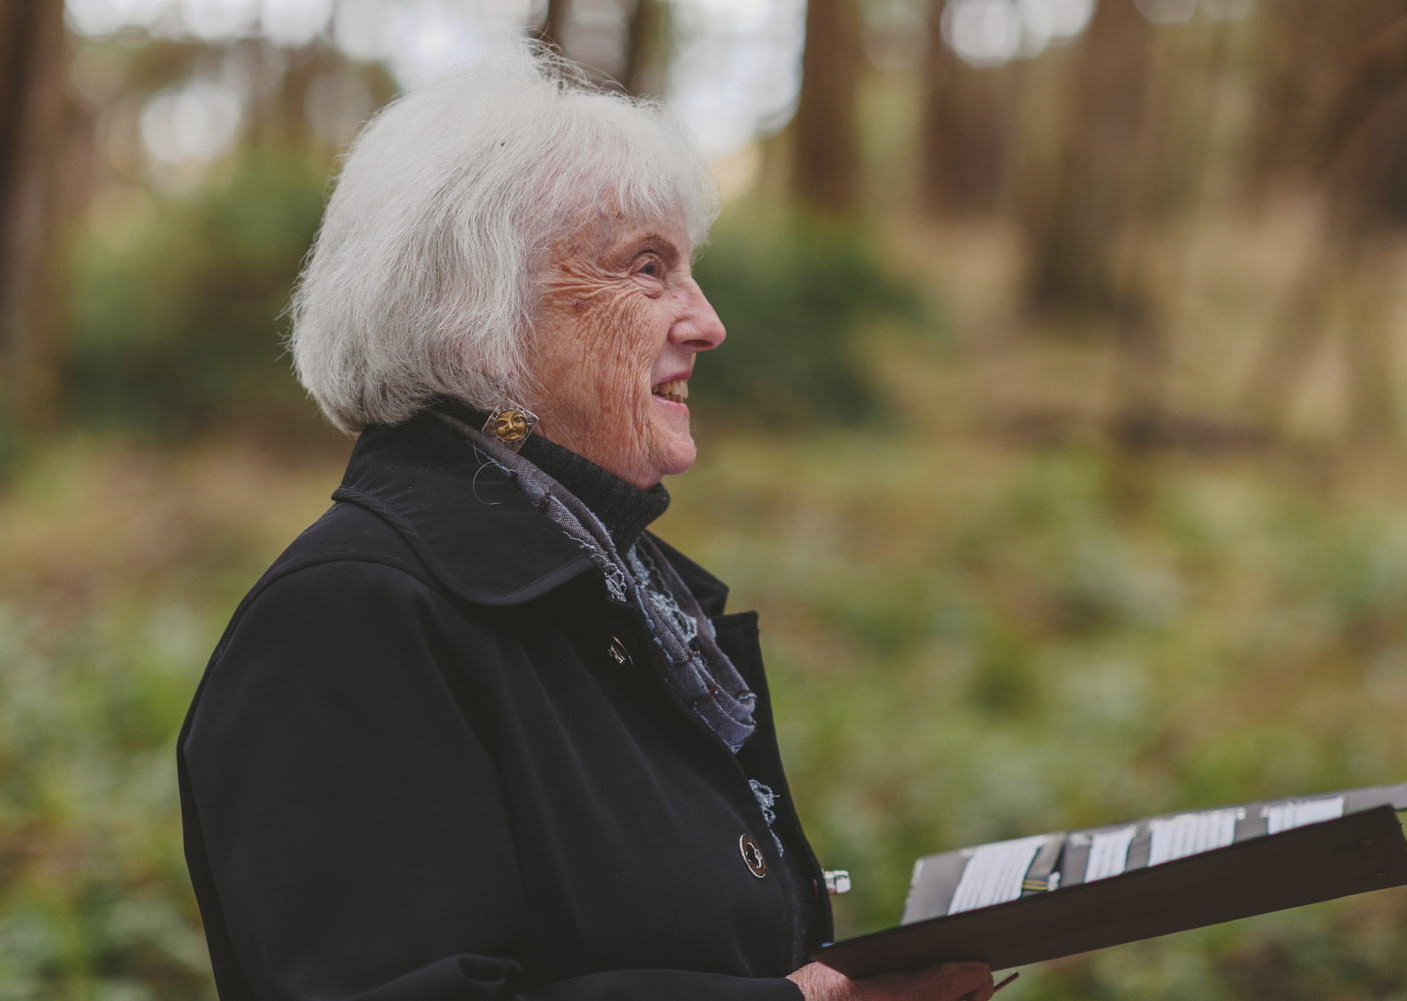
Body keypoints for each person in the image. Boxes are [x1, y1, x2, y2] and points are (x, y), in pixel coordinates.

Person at [177, 45, 995, 1001]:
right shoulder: (347, 620)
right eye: (648, 269)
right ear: (476, 313)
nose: (707, 320)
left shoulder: (623, 591)